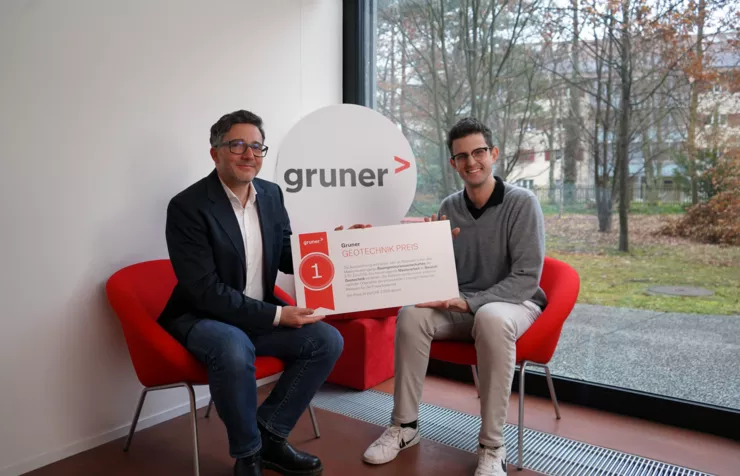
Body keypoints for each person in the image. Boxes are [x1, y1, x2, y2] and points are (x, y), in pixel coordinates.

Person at [158, 109, 352, 476]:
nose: (250, 154)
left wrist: (336, 248)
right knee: (233, 346)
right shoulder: (187, 206)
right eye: (238, 145)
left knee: (326, 340)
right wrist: (278, 315)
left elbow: (285, 255)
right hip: (204, 317)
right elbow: (205, 291)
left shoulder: (272, 194)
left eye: (257, 147)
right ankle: (247, 454)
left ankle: (269, 436)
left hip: (257, 313)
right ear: (215, 153)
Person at [362, 117, 547, 476]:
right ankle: (405, 427)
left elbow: (526, 278)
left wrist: (469, 303)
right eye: (461, 156)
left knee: (491, 318)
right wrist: (433, 250)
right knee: (411, 314)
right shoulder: (449, 207)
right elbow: (444, 274)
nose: (471, 161)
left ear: (493, 154)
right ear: (453, 163)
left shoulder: (523, 203)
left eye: (479, 152)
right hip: (465, 302)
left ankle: (493, 446)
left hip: (515, 303)